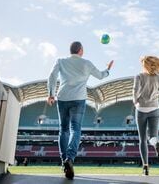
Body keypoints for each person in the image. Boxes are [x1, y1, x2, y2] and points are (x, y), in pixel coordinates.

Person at [47, 41, 114, 179]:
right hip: (78, 99)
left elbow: (52, 77)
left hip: (63, 98)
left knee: (63, 130)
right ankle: (70, 159)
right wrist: (108, 69)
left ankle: (63, 161)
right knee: (75, 129)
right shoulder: (86, 63)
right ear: (80, 50)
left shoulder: (60, 61)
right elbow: (101, 76)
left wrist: (51, 94)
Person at [133, 55, 159, 176]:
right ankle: (156, 144)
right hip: (155, 109)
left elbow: (135, 91)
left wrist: (135, 100)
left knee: (142, 139)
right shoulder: (158, 78)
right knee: (153, 136)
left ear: (144, 65)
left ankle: (145, 167)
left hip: (141, 109)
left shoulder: (139, 76)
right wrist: (154, 96)